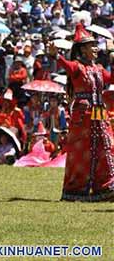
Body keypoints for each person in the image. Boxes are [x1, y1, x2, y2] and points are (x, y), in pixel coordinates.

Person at [48, 23, 114, 202]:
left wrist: (112, 57)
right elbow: (66, 65)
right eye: (92, 46)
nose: (96, 49)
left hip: (99, 111)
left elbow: (112, 79)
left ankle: (105, 187)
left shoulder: (98, 68)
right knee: (82, 150)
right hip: (83, 115)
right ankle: (77, 190)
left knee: (105, 146)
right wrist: (56, 55)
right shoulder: (77, 67)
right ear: (83, 49)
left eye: (96, 45)